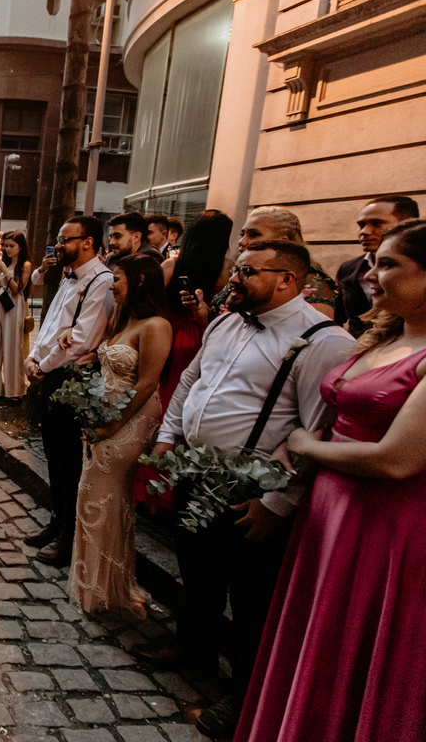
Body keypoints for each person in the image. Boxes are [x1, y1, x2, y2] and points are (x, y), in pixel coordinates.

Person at [134, 241, 354, 739]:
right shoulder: (228, 320)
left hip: (254, 486)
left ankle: (245, 695)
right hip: (195, 469)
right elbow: (191, 380)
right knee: (197, 569)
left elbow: (317, 429)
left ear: (287, 280)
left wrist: (277, 504)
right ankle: (194, 645)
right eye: (237, 268)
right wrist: (169, 436)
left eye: (249, 271)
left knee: (251, 597)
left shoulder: (323, 340)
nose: (235, 278)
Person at [238, 219, 426, 742]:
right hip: (329, 511)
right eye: (375, 260)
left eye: (389, 264)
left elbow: (396, 460)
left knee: (356, 647)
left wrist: (303, 443)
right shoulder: (381, 335)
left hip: (384, 523)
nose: (370, 272)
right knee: (315, 638)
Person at [69, 255, 172, 620]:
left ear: (141, 281)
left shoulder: (157, 325)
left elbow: (147, 383)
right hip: (105, 417)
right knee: (91, 496)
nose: (112, 286)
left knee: (103, 495)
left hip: (131, 420)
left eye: (118, 279)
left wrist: (114, 422)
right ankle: (97, 583)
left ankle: (110, 589)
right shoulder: (126, 319)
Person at [24, 216, 112, 564]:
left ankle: (69, 536)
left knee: (69, 461)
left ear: (88, 241)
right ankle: (56, 520)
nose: (58, 246)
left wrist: (42, 367)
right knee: (54, 458)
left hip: (71, 378)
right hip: (48, 373)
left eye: (65, 239)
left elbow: (82, 338)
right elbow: (51, 325)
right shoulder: (68, 276)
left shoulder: (101, 282)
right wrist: (32, 357)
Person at [137, 210, 234, 511]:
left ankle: (150, 490)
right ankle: (169, 493)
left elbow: (148, 302)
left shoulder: (172, 264)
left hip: (170, 336)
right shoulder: (227, 270)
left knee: (163, 406)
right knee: (186, 411)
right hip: (204, 339)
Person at [334, 194, 419, 338]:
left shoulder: (419, 269)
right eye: (361, 225)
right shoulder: (348, 269)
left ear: (407, 224)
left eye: (377, 223)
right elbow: (337, 319)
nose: (364, 232)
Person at [231, 206, 336, 321]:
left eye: (254, 234)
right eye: (242, 235)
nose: (242, 242)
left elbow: (312, 333)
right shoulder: (238, 274)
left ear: (283, 242)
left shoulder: (310, 282)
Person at [0, 230, 32, 399]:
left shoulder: (25, 265)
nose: (8, 249)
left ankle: (15, 390)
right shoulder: (4, 263)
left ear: (20, 247)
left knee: (12, 346)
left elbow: (18, 289)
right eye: (5, 246)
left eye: (11, 246)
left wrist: (4, 269)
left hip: (13, 305)